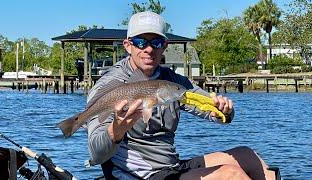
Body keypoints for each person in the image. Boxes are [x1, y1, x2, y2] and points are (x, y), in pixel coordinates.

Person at [87, 11, 280, 180]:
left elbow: (208, 107)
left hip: (170, 166)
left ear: (165, 45)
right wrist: (116, 131)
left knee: (247, 156)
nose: (149, 49)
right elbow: (96, 153)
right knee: (230, 175)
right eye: (140, 42)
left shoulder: (173, 83)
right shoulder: (109, 86)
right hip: (138, 175)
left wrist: (224, 111)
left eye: (156, 42)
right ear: (128, 45)